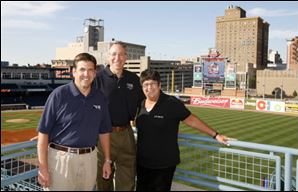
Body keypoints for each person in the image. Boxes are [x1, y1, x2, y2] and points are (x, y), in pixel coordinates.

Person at [136, 69, 231, 191]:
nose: (149, 88)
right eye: (146, 85)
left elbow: (191, 120)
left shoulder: (171, 103)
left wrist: (216, 135)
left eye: (153, 84)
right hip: (142, 163)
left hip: (164, 164)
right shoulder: (141, 104)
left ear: (159, 85)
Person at [37, 53, 112, 191]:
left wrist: (107, 160)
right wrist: (43, 168)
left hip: (90, 159)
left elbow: (104, 131)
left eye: (90, 70)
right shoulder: (59, 95)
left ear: (95, 73)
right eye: (82, 69)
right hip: (61, 160)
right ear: (74, 72)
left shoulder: (99, 97)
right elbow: (43, 133)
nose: (86, 74)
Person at [94, 41, 144, 191]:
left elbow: (143, 104)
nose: (118, 57)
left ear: (126, 57)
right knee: (103, 181)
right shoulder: (98, 78)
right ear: (108, 57)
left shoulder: (134, 79)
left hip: (126, 133)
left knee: (128, 182)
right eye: (114, 54)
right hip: (103, 135)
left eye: (121, 54)